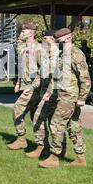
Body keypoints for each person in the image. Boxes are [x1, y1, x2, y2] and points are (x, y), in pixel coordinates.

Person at [39, 28, 91, 168]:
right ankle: (80, 158)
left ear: (68, 39)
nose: (57, 44)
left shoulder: (76, 54)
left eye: (59, 41)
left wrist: (82, 97)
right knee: (73, 127)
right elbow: (56, 76)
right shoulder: (63, 54)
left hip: (70, 97)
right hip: (62, 95)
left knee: (56, 124)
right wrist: (49, 92)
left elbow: (85, 78)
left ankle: (54, 157)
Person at [7, 23, 42, 150]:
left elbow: (44, 70)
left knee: (17, 109)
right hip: (25, 86)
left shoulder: (38, 48)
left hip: (35, 88)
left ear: (31, 32)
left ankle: (22, 139)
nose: (22, 32)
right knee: (36, 117)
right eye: (21, 30)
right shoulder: (23, 48)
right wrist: (18, 83)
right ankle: (42, 145)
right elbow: (23, 68)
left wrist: (32, 86)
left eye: (24, 30)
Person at [25, 30, 59, 158]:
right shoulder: (47, 55)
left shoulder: (57, 55)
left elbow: (57, 77)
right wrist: (31, 87)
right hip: (44, 92)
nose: (43, 41)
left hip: (54, 94)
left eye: (45, 38)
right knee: (51, 122)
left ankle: (44, 147)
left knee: (41, 119)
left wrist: (50, 92)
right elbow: (41, 75)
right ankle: (48, 147)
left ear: (51, 39)